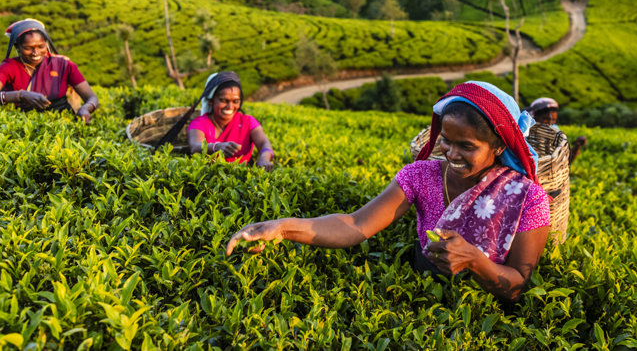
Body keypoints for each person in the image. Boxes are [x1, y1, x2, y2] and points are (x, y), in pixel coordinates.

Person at [226, 81, 551, 301]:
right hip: (422, 294)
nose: (452, 154)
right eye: (447, 141)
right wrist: (282, 227)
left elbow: (518, 284)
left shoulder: (528, 199)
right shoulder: (420, 177)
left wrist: (475, 262)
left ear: (498, 145)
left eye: (466, 146)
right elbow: (355, 225)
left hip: (486, 317)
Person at [0, 19, 98, 123]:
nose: (36, 53)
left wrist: (86, 108)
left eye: (41, 46)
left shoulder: (63, 64)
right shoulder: (9, 67)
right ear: (17, 47)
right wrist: (20, 95)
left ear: (46, 44)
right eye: (28, 48)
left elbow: (92, 97)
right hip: (25, 124)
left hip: (63, 120)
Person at [187, 71, 274, 171]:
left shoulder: (247, 122)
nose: (230, 106)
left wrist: (264, 158)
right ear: (211, 101)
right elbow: (195, 146)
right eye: (224, 100)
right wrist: (216, 147)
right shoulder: (199, 123)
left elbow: (264, 143)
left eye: (235, 101)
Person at [527, 97, 587, 164]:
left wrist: (577, 146)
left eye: (553, 120)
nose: (550, 123)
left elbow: (565, 160)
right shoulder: (527, 133)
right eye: (546, 119)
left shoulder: (555, 131)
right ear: (534, 117)